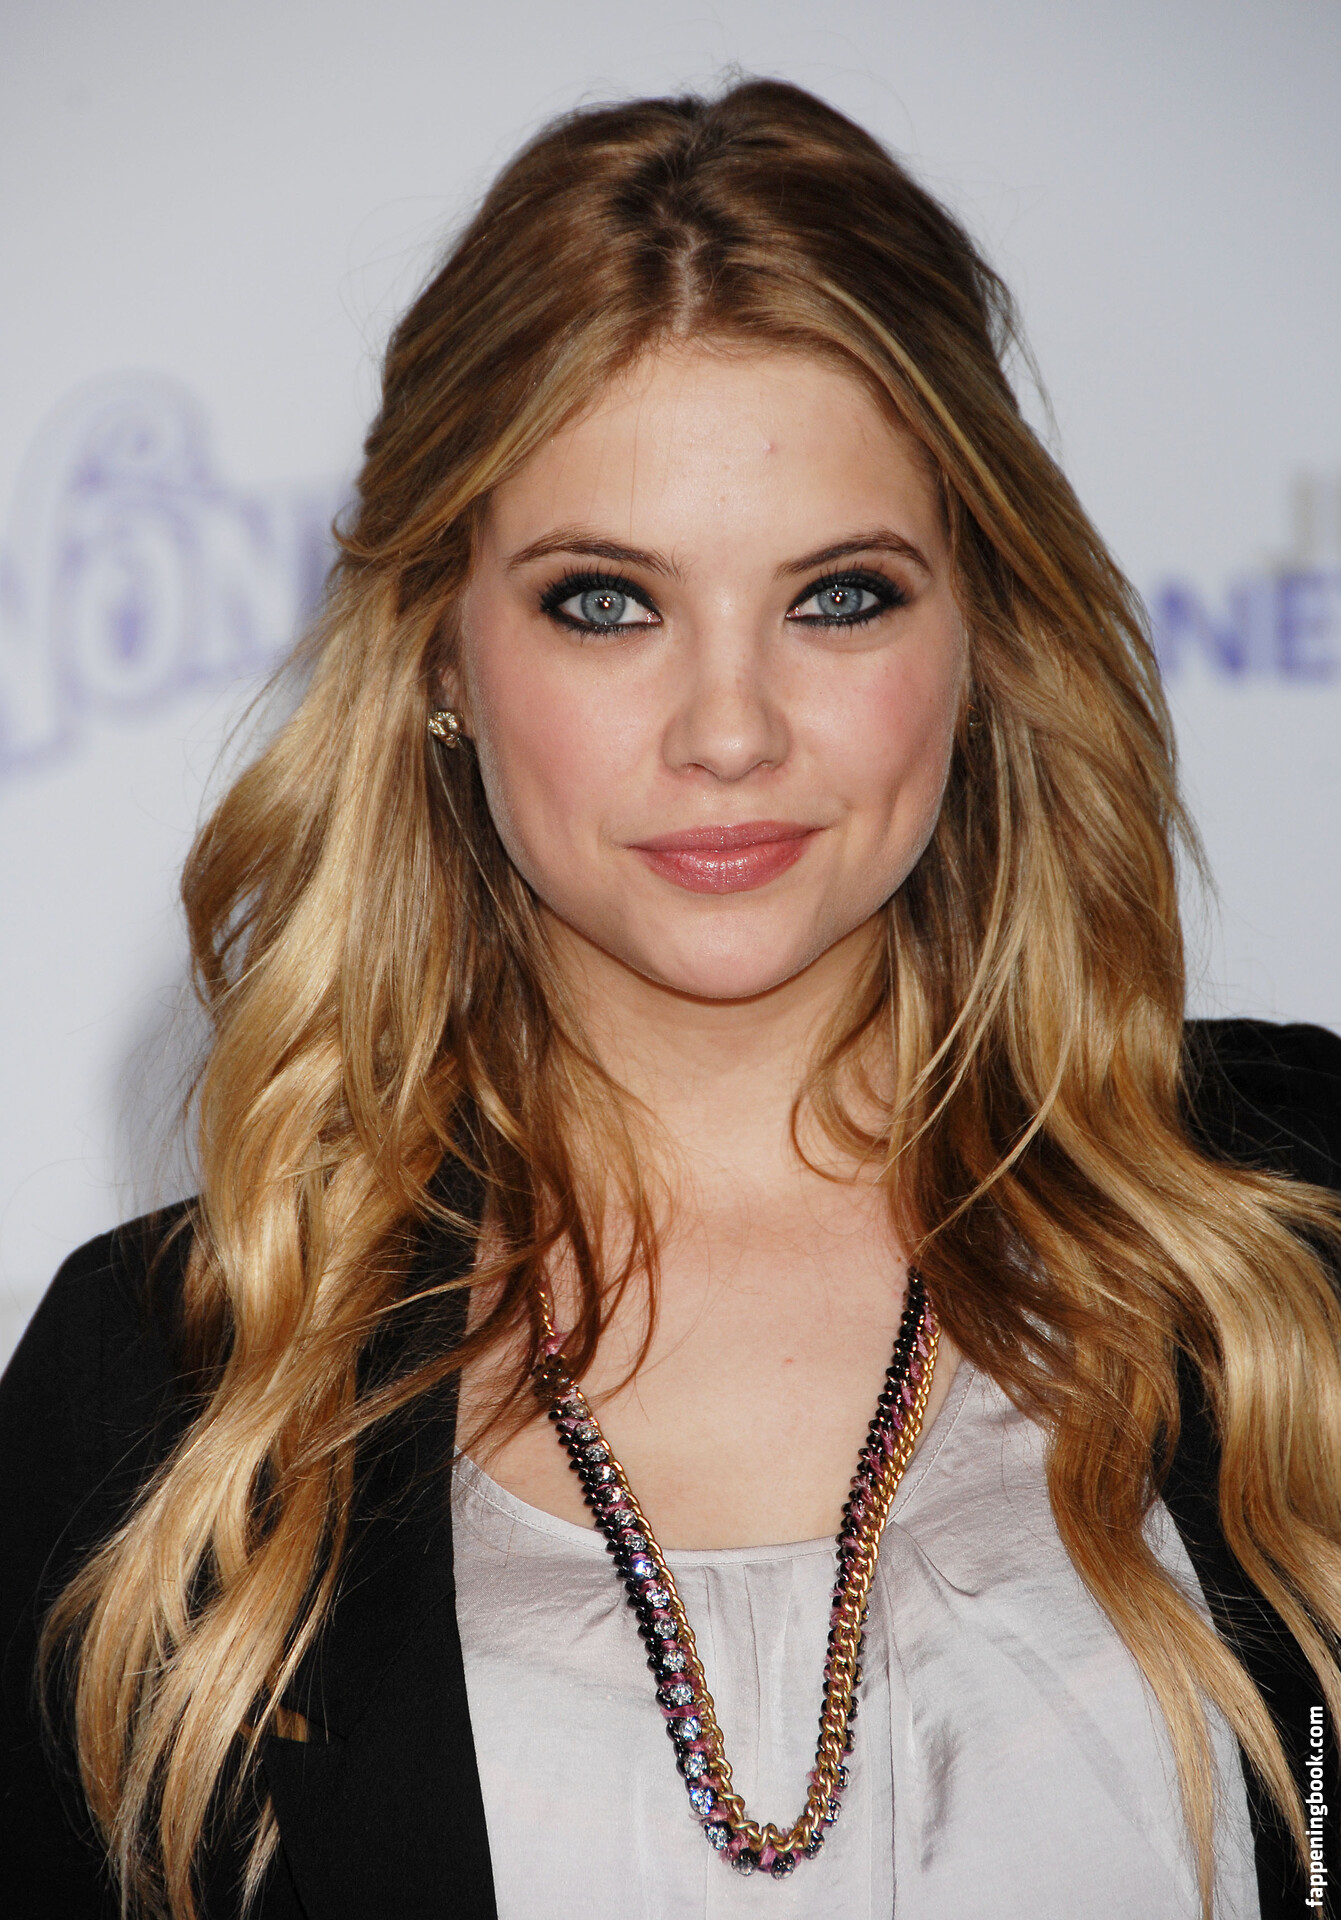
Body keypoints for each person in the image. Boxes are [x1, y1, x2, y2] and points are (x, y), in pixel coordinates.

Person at [3, 77, 1340, 1920]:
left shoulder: (1292, 1217)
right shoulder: (160, 1384)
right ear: (440, 651)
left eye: (840, 596)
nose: (728, 731)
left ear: (978, 632)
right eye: (605, 602)